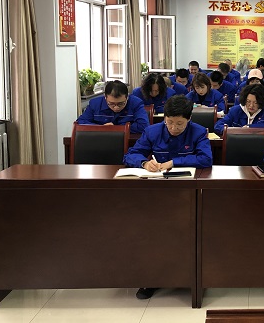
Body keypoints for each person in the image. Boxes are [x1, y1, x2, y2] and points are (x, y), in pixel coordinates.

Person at [123, 95, 213, 300]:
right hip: (157, 195)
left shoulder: (199, 132)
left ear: (189, 119)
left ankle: (189, 276)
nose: (173, 127)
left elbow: (206, 159)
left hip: (188, 194)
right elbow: (130, 155)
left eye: (179, 123)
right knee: (150, 232)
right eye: (169, 122)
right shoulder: (152, 131)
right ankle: (152, 277)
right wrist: (144, 163)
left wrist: (174, 162)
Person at [77, 80, 149, 134]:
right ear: (105, 97)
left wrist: (116, 127)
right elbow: (81, 122)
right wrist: (102, 128)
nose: (116, 107)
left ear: (127, 97)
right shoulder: (95, 104)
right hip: (100, 140)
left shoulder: (136, 103)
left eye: (121, 104)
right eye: (111, 104)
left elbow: (143, 126)